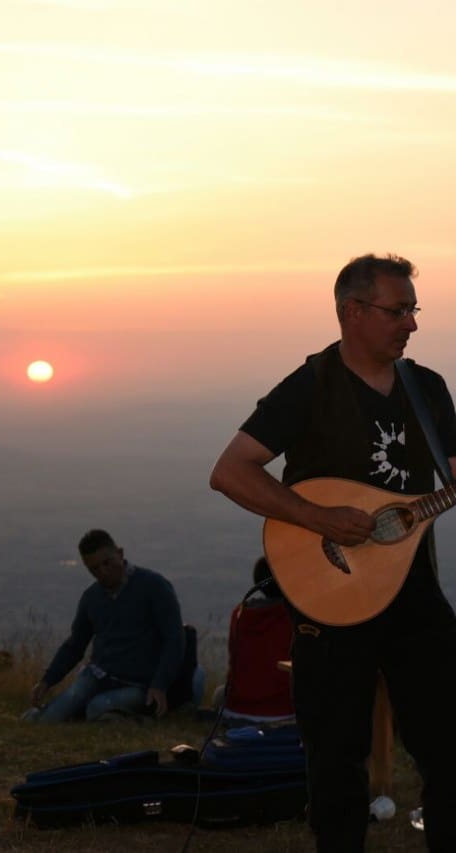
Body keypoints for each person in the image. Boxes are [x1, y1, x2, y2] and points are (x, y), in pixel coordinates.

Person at [209, 253, 456, 852]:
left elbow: (449, 474)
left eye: (413, 310)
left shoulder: (426, 389)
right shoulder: (312, 385)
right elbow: (231, 471)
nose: (412, 325)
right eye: (399, 311)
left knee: (450, 748)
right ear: (353, 312)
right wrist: (317, 517)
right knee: (335, 767)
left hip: (414, 594)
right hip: (328, 600)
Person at [24, 529, 185, 722]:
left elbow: (174, 639)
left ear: (120, 554)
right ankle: (45, 717)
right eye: (94, 569)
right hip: (99, 676)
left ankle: (126, 717)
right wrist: (47, 681)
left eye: (107, 563)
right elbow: (75, 645)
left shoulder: (154, 587)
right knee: (55, 715)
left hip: (140, 683)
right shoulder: (91, 598)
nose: (103, 572)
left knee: (97, 707)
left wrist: (159, 685)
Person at [212, 557, 295, 723]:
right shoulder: (294, 616)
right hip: (283, 711)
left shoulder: (240, 613)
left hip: (235, 709)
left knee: (219, 694)